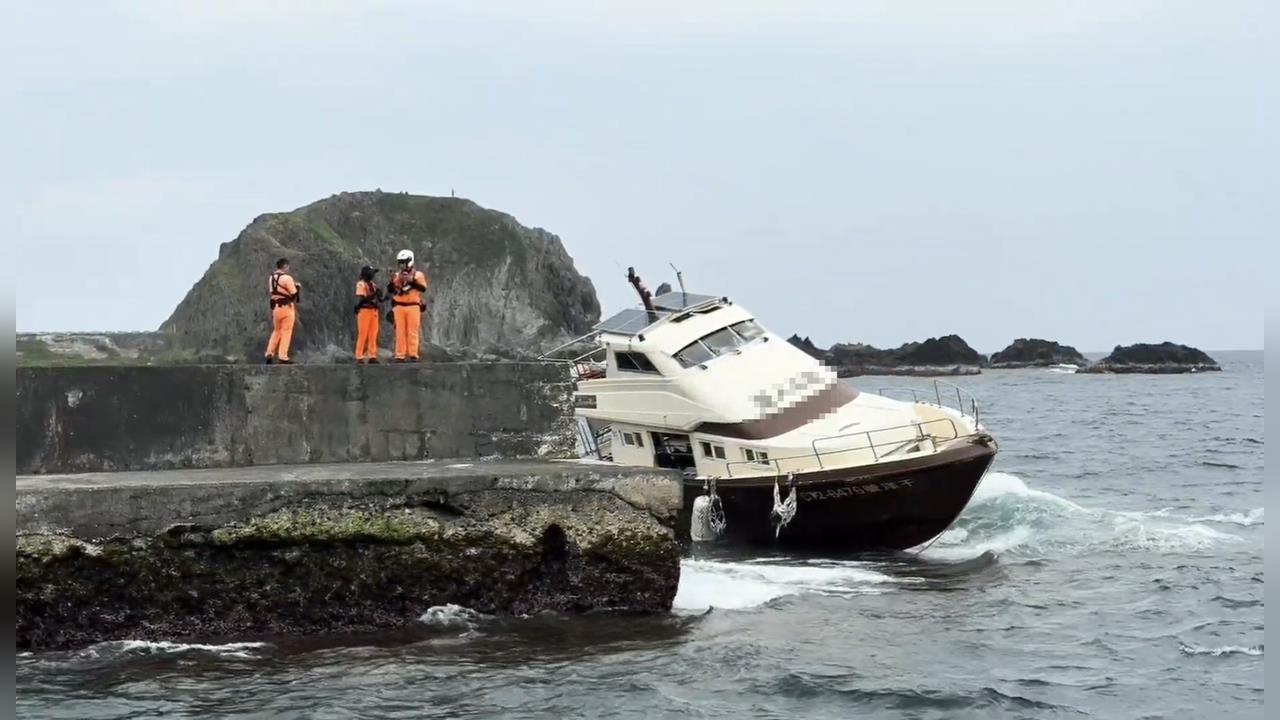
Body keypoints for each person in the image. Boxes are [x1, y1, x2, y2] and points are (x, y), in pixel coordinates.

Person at [386, 249, 428, 362]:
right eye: (400, 262)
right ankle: (400, 355)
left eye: (403, 262)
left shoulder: (418, 275)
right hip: (399, 306)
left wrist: (411, 281)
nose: (401, 265)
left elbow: (423, 288)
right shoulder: (397, 275)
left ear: (410, 261)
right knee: (400, 331)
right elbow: (390, 289)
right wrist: (391, 280)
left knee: (412, 331)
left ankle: (413, 354)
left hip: (413, 306)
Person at [265, 257, 300, 364]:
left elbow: (273, 291)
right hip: (286, 308)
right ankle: (283, 356)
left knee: (276, 331)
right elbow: (294, 293)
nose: (289, 269)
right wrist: (297, 287)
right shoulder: (287, 278)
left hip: (276, 308)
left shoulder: (272, 278)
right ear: (285, 266)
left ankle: (269, 353)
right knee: (286, 332)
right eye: (288, 267)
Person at [353, 265, 383, 363]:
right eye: (372, 272)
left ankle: (372, 355)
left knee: (373, 334)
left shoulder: (373, 284)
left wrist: (381, 295)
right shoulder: (361, 284)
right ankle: (359, 356)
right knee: (363, 334)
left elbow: (378, 299)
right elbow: (363, 299)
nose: (373, 275)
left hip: (373, 311)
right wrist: (374, 295)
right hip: (364, 310)